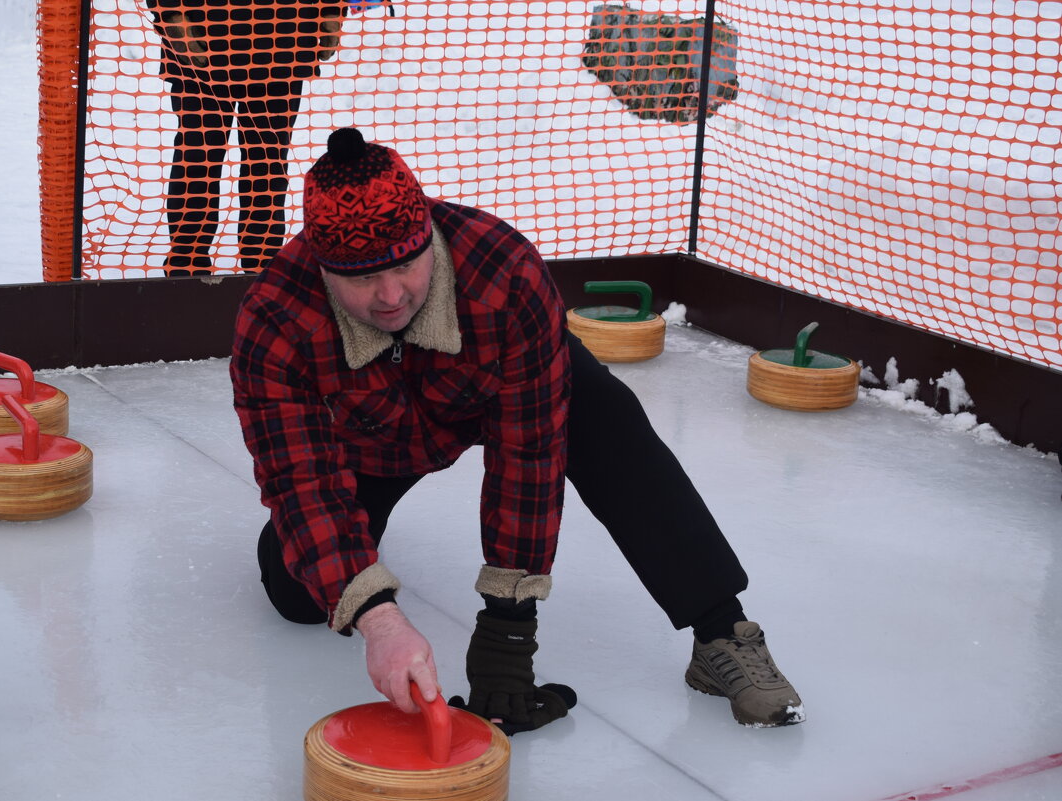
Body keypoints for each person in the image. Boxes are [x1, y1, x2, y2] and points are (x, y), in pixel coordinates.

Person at [230, 127, 804, 732]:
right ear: (324, 271)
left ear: (429, 235)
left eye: (406, 264)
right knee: (298, 593)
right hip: (372, 439)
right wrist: (377, 615)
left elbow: (527, 455)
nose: (392, 295)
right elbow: (299, 477)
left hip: (496, 395)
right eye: (364, 278)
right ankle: (354, 564)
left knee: (605, 419)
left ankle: (721, 629)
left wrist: (509, 627)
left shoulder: (502, 270)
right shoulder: (274, 318)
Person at [146, 0, 346, 275]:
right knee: (198, 159)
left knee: (267, 163)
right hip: (200, 37)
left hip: (281, 41)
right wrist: (170, 13)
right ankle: (186, 266)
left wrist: (332, 9)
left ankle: (263, 268)